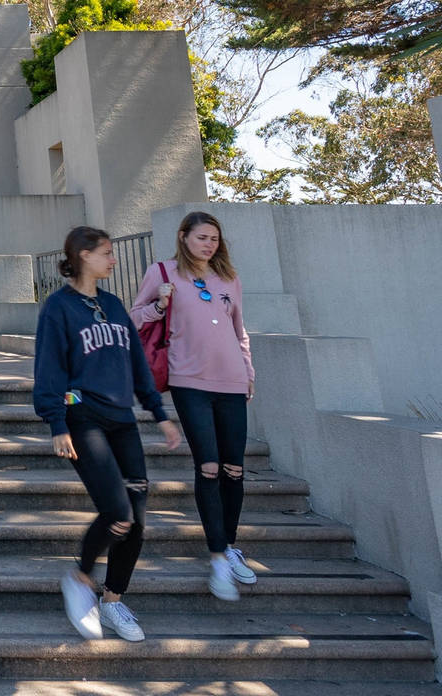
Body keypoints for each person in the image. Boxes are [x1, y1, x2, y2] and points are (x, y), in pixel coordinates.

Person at [35, 225, 182, 643]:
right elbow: (49, 367)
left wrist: (159, 412)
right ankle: (80, 579)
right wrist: (56, 422)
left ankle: (113, 600)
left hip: (122, 419)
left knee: (136, 520)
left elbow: (138, 364)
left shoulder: (115, 306)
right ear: (83, 255)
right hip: (83, 418)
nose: (113, 259)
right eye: (106, 252)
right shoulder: (59, 308)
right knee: (117, 511)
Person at [130, 211, 256, 602]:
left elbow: (240, 331)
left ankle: (230, 545)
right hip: (189, 381)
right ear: (183, 237)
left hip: (232, 382)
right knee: (209, 466)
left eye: (214, 239)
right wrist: (158, 307)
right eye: (202, 237)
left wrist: (248, 369)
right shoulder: (163, 273)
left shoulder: (229, 279)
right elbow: (132, 318)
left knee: (234, 469)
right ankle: (217, 555)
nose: (209, 245)